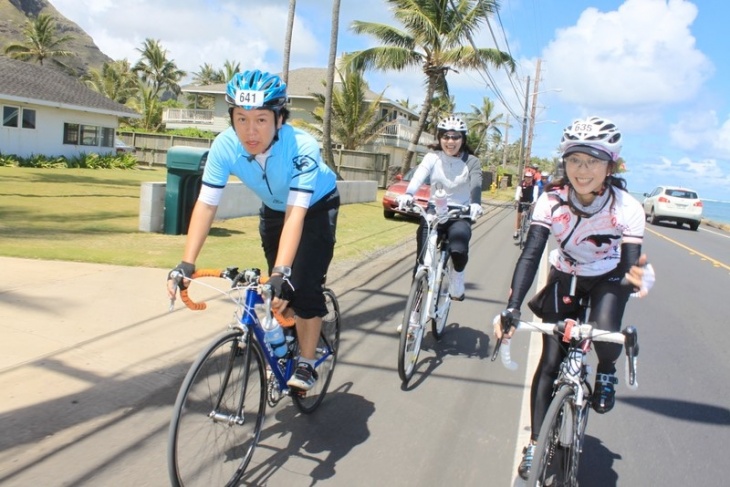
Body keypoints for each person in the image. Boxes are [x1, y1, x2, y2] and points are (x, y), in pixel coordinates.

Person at [493, 116, 656, 480]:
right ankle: (535, 443)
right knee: (550, 360)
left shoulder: (626, 207)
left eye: (593, 162)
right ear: (564, 162)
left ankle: (608, 370)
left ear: (610, 166)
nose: (582, 171)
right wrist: (512, 306)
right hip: (565, 274)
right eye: (575, 160)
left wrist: (610, 327)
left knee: (604, 329)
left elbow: (631, 270)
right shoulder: (551, 201)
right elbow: (531, 254)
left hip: (609, 276)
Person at [166, 69, 340, 392]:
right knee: (276, 290)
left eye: (261, 119)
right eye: (241, 118)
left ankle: (306, 360)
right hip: (274, 209)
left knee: (299, 281)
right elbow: (206, 204)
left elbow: (296, 214)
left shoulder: (302, 147)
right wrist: (186, 263)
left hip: (314, 207)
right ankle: (286, 333)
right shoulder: (224, 147)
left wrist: (282, 272)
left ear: (279, 118)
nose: (250, 131)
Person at [396, 115, 483, 302]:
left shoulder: (472, 161)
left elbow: (476, 183)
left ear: (463, 139)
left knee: (459, 250)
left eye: (455, 137)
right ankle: (414, 314)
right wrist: (409, 194)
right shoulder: (432, 158)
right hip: (434, 211)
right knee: (421, 264)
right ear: (439, 137)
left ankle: (457, 276)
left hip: (460, 213)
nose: (450, 141)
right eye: (445, 136)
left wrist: (475, 203)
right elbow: (419, 176)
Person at [513, 169, 539, 239]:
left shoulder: (534, 183)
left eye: (530, 177)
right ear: (524, 177)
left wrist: (534, 201)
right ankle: (517, 231)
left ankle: (529, 222)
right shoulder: (521, 183)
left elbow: (535, 193)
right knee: (519, 217)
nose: (528, 179)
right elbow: (518, 192)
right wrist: (516, 200)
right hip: (522, 199)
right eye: (526, 177)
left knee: (532, 215)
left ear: (532, 178)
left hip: (530, 200)